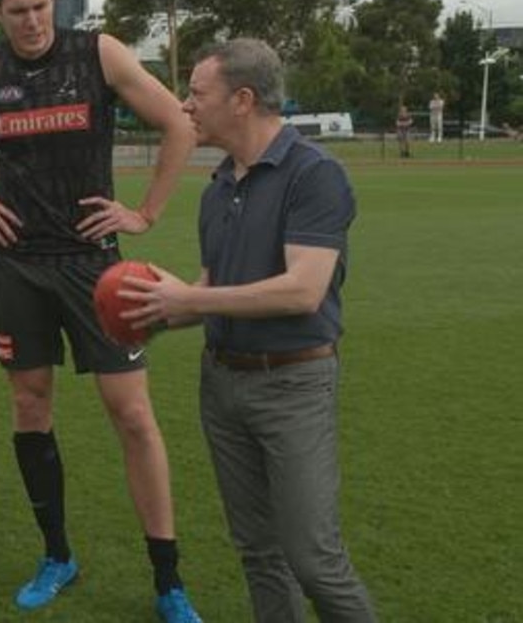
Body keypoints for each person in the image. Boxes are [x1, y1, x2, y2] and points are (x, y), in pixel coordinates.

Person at [0, 0, 201, 622]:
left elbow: (179, 122)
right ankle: (57, 554)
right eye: (18, 12)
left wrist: (146, 212)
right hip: (15, 263)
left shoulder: (97, 53)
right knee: (30, 406)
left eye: (41, 7)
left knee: (132, 414)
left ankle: (169, 580)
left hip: (95, 264)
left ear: (54, 0)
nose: (33, 21)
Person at [122, 38, 377, 622]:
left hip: (294, 386)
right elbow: (215, 289)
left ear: (241, 100)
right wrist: (154, 311)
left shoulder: (315, 176)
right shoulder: (219, 186)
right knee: (259, 552)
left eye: (196, 93)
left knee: (313, 558)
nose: (184, 106)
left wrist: (189, 295)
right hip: (223, 383)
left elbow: (301, 290)